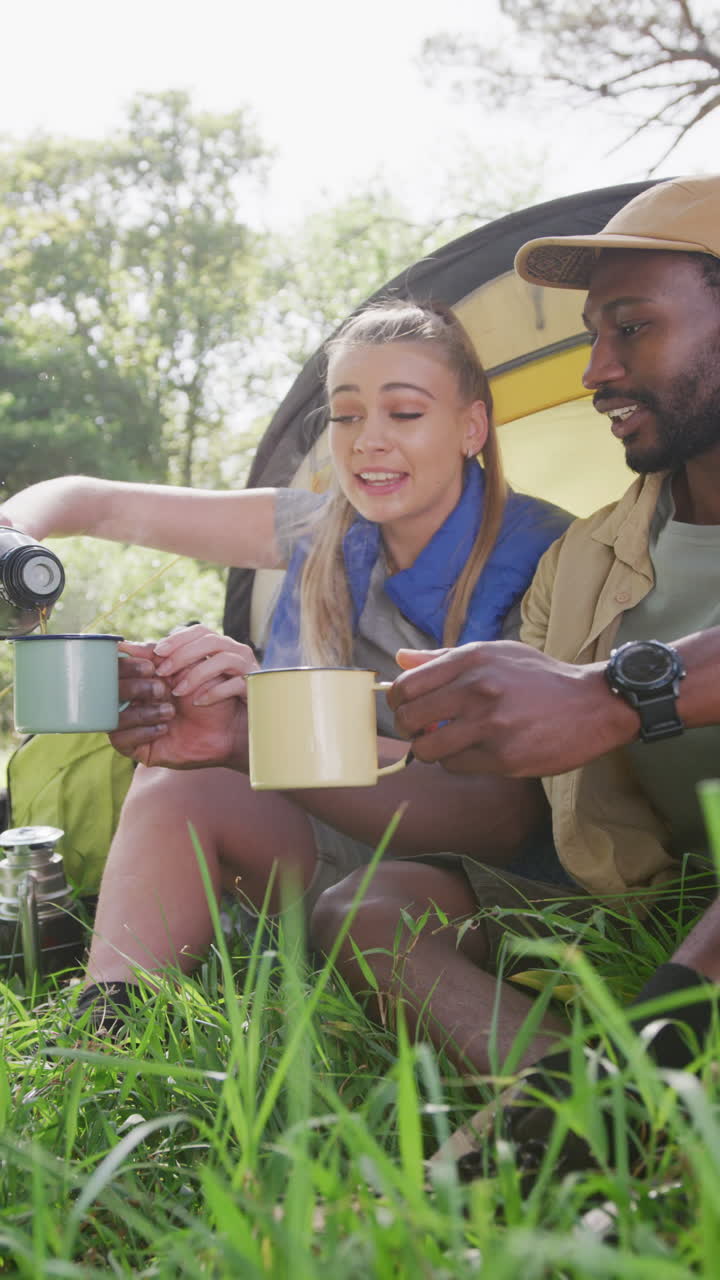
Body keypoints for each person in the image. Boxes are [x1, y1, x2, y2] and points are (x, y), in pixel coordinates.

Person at [0, 298, 571, 1033]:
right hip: (339, 839)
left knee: (368, 891)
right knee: (178, 777)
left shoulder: (547, 559)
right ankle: (105, 1027)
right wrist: (14, 535)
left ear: (472, 427)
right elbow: (92, 504)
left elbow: (500, 817)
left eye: (404, 413)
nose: (368, 441)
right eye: (346, 415)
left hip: (484, 874)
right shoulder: (318, 527)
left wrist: (265, 721)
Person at [377, 174, 720, 1169]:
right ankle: (576, 1102)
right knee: (373, 909)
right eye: (591, 336)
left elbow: (596, 702)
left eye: (632, 328)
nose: (597, 372)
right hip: (656, 897)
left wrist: (616, 692)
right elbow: (510, 806)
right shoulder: (581, 561)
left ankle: (613, 1104)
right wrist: (246, 739)